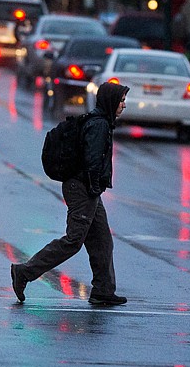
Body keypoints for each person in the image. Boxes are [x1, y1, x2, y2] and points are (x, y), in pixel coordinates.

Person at [11, 82, 130, 306]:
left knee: (102, 239)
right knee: (74, 240)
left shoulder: (99, 122)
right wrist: (94, 187)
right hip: (82, 188)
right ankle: (24, 272)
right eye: (121, 101)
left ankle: (103, 290)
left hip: (87, 187)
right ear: (111, 102)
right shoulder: (99, 125)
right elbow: (92, 160)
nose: (124, 105)